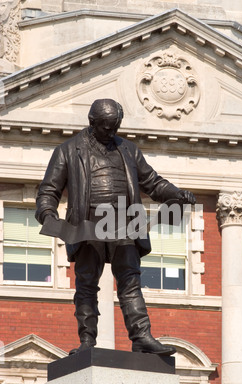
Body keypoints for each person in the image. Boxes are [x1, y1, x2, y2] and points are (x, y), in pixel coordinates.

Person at [36, 99, 196, 356]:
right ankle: (87, 340)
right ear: (92, 123)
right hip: (87, 228)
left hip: (125, 223)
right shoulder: (67, 150)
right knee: (86, 285)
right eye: (106, 128)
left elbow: (152, 182)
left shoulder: (128, 149)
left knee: (130, 281)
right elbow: (49, 190)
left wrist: (176, 193)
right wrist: (47, 215)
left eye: (115, 127)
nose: (112, 133)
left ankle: (141, 336)